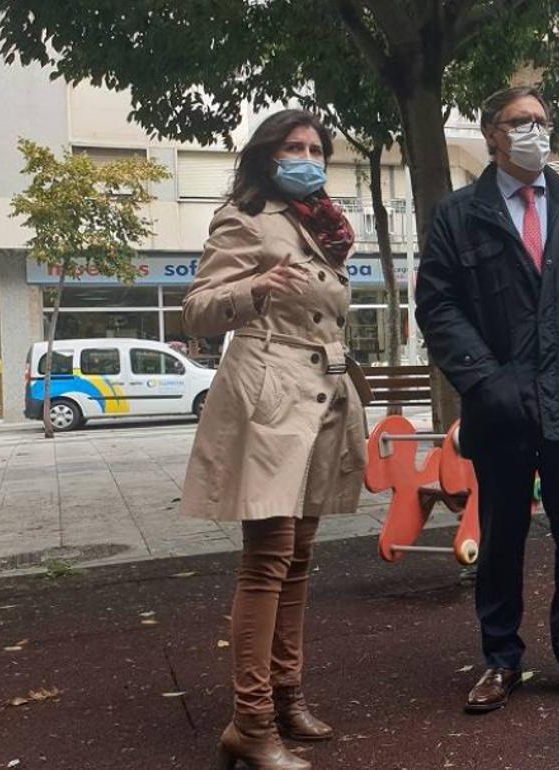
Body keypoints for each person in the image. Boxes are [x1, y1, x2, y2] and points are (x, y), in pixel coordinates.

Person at [415, 86, 559, 714]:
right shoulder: (459, 215)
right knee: (501, 539)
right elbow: (438, 306)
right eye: (520, 121)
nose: (535, 130)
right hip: (499, 409)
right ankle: (501, 659)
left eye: (542, 120)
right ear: (492, 132)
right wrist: (487, 381)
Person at [180, 109, 368, 770]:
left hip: (323, 396)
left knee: (301, 556)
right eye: (294, 146)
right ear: (267, 155)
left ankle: (288, 698)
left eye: (317, 148)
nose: (308, 157)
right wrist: (254, 288)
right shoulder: (246, 217)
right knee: (268, 556)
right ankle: (251, 722)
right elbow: (197, 309)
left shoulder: (324, 225)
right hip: (270, 397)